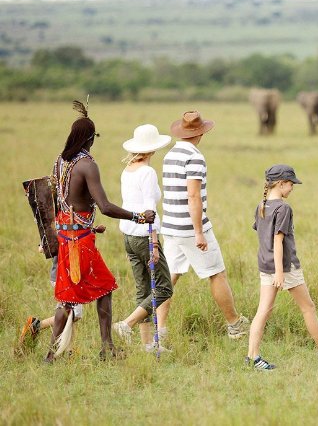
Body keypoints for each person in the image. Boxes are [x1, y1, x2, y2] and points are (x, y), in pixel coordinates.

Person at [45, 100, 155, 363]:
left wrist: (87, 225)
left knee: (99, 289)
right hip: (78, 243)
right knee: (70, 299)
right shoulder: (87, 165)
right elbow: (104, 206)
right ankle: (52, 356)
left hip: (67, 236)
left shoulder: (60, 162)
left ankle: (105, 348)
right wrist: (138, 216)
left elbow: (62, 202)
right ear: (90, 139)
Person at [246, 164, 318, 370]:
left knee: (263, 310)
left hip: (265, 265)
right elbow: (278, 241)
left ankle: (253, 357)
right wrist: (280, 272)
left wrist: (272, 268)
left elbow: (263, 238)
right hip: (285, 268)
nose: (292, 188)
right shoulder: (283, 208)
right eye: (290, 184)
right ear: (280, 184)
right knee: (308, 308)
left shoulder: (261, 206)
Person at [162, 111, 248, 339]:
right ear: (200, 133)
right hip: (190, 227)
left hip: (170, 226)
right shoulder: (195, 157)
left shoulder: (170, 155)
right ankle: (234, 324)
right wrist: (199, 232)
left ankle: (158, 331)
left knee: (168, 277)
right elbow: (193, 196)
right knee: (216, 274)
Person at [112, 124, 174, 353]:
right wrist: (154, 242)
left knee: (144, 290)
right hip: (144, 237)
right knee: (164, 288)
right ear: (153, 149)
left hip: (128, 236)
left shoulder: (128, 169)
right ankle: (126, 324)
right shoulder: (147, 172)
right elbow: (149, 210)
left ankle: (147, 344)